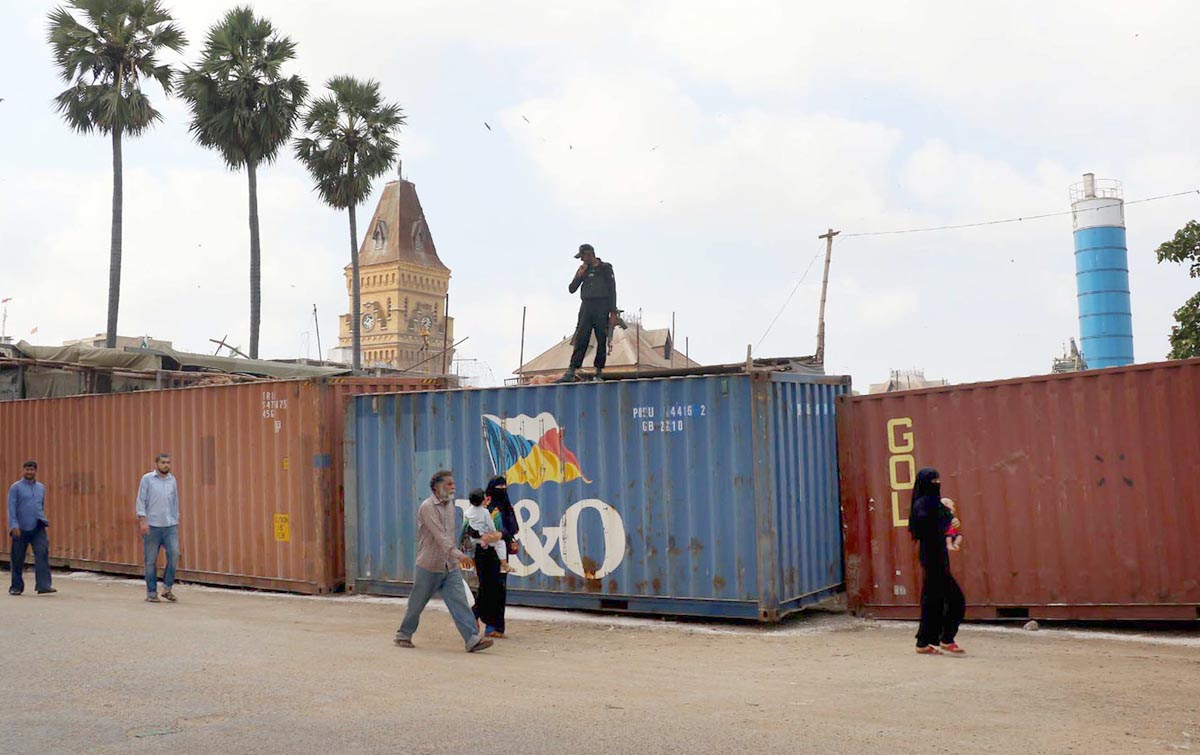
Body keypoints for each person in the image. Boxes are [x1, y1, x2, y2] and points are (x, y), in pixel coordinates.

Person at [395, 470, 494, 653]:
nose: (453, 487)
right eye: (449, 484)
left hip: (450, 566)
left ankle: (472, 639)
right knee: (417, 603)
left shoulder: (450, 506)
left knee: (459, 601)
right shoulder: (427, 507)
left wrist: (458, 552)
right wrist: (459, 555)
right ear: (436, 487)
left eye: (453, 483)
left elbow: (450, 535)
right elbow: (440, 536)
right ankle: (403, 634)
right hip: (429, 565)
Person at [908, 468, 966, 655]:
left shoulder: (932, 502)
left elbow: (946, 519)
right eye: (933, 481)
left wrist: (951, 519)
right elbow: (926, 525)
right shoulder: (923, 504)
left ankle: (926, 642)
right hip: (932, 558)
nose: (937, 483)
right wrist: (946, 519)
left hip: (938, 557)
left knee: (933, 600)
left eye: (938, 480)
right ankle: (945, 638)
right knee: (955, 599)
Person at [560, 243, 617, 383]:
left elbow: (612, 290)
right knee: (581, 336)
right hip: (586, 305)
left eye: (583, 256)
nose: (581, 260)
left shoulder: (605, 268)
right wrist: (579, 276)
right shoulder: (583, 269)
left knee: (601, 338)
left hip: (602, 305)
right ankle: (572, 368)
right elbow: (571, 289)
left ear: (589, 254)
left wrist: (613, 312)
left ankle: (598, 370)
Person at [136, 453, 180, 603]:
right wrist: (143, 521)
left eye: (168, 462)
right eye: (163, 462)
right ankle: (151, 593)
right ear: (156, 464)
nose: (166, 465)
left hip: (170, 526)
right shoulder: (147, 479)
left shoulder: (172, 480)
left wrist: (175, 519)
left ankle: (167, 588)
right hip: (152, 526)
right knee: (150, 561)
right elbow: (141, 500)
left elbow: (175, 501)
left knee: (174, 554)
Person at [462, 488, 505, 639]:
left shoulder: (467, 513)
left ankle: (479, 617)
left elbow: (464, 531)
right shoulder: (487, 513)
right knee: (491, 587)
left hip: (477, 553)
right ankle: (480, 616)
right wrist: (492, 536)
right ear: (483, 499)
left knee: (485, 585)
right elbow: (493, 531)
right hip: (490, 552)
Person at [8, 460, 55, 596]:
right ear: (23, 471)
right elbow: (11, 507)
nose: (29, 472)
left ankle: (43, 586)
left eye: (32, 470)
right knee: (17, 558)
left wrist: (43, 518)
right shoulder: (16, 487)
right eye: (27, 469)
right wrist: (13, 525)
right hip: (20, 528)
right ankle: (16, 587)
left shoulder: (41, 487)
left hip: (38, 526)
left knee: (42, 553)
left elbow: (40, 505)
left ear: (35, 471)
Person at [486, 475, 519, 637]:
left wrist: (503, 535)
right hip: (485, 551)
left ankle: (496, 627)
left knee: (500, 588)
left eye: (503, 487)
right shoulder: (485, 507)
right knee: (487, 588)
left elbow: (514, 527)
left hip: (502, 553)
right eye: (498, 487)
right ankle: (483, 621)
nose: (502, 490)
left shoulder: (507, 507)